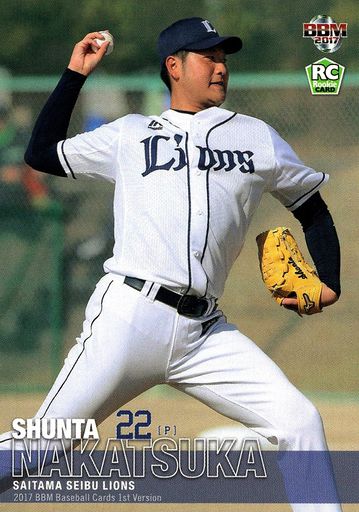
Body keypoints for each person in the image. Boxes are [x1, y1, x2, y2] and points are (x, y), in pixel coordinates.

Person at [0, 18, 341, 510]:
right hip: (129, 317)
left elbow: (310, 205)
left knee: (301, 422)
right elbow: (42, 153)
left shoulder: (256, 137)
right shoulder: (131, 133)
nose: (221, 67)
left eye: (224, 57)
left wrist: (330, 280)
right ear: (174, 67)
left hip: (205, 333)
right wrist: (76, 74)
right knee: (43, 446)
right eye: (209, 57)